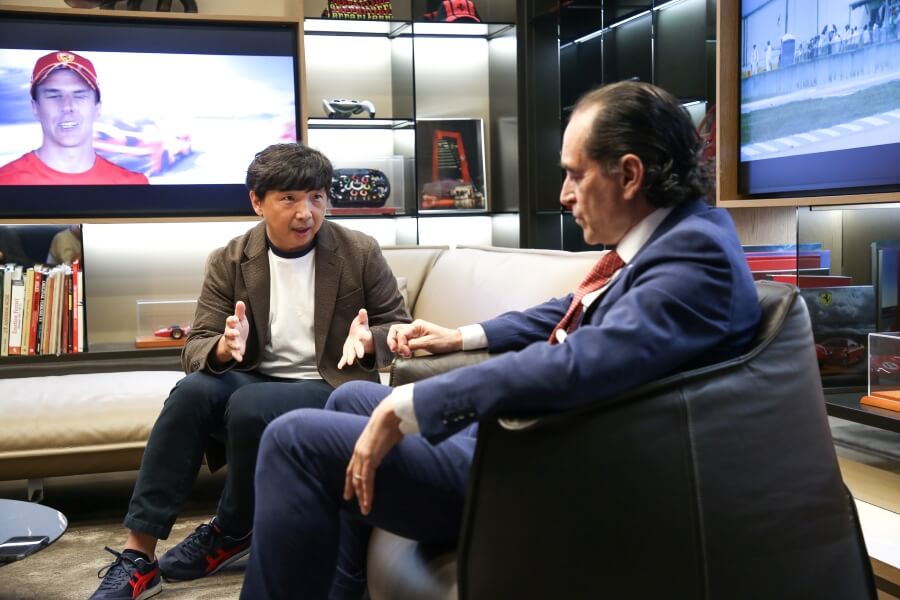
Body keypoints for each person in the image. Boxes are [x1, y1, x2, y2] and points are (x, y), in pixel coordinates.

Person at [240, 81, 763, 599]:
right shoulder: (673, 242)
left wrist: (415, 402)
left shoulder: (696, 258)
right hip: (534, 440)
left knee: (293, 439)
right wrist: (460, 336)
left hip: (546, 470)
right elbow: (572, 308)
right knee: (351, 396)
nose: (563, 194)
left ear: (629, 175)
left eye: (575, 174)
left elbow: (580, 361)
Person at [89, 142, 410, 600]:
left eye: (316, 197)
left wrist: (371, 340)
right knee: (190, 392)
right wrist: (223, 348)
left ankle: (232, 528)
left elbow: (397, 326)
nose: (306, 213)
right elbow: (195, 347)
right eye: (289, 199)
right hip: (256, 376)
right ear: (257, 201)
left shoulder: (358, 251)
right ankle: (139, 555)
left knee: (248, 403)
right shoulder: (231, 258)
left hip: (329, 384)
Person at [0, 51, 149, 185]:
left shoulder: (134, 185)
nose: (67, 106)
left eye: (79, 95)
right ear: (35, 108)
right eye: (54, 96)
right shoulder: (5, 181)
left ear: (97, 108)